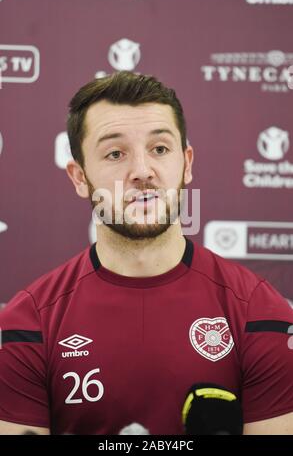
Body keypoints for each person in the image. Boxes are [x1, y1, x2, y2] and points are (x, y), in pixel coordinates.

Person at [0, 71, 293, 435]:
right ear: (79, 177)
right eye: (115, 153)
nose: (142, 171)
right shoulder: (28, 324)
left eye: (159, 149)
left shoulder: (260, 314)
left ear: (186, 163)